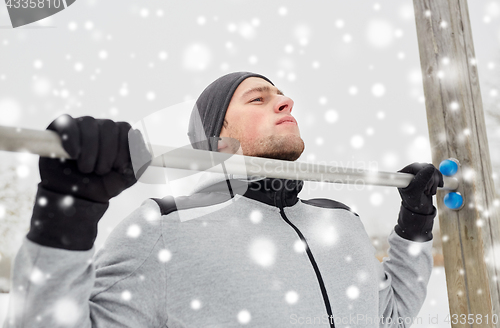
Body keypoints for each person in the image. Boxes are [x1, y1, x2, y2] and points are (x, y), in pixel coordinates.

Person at [4, 71, 443, 328]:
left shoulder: (342, 222)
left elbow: (391, 316)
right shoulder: (164, 227)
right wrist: (68, 217)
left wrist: (415, 221)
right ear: (218, 139)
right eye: (259, 97)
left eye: (282, 95)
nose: (286, 100)